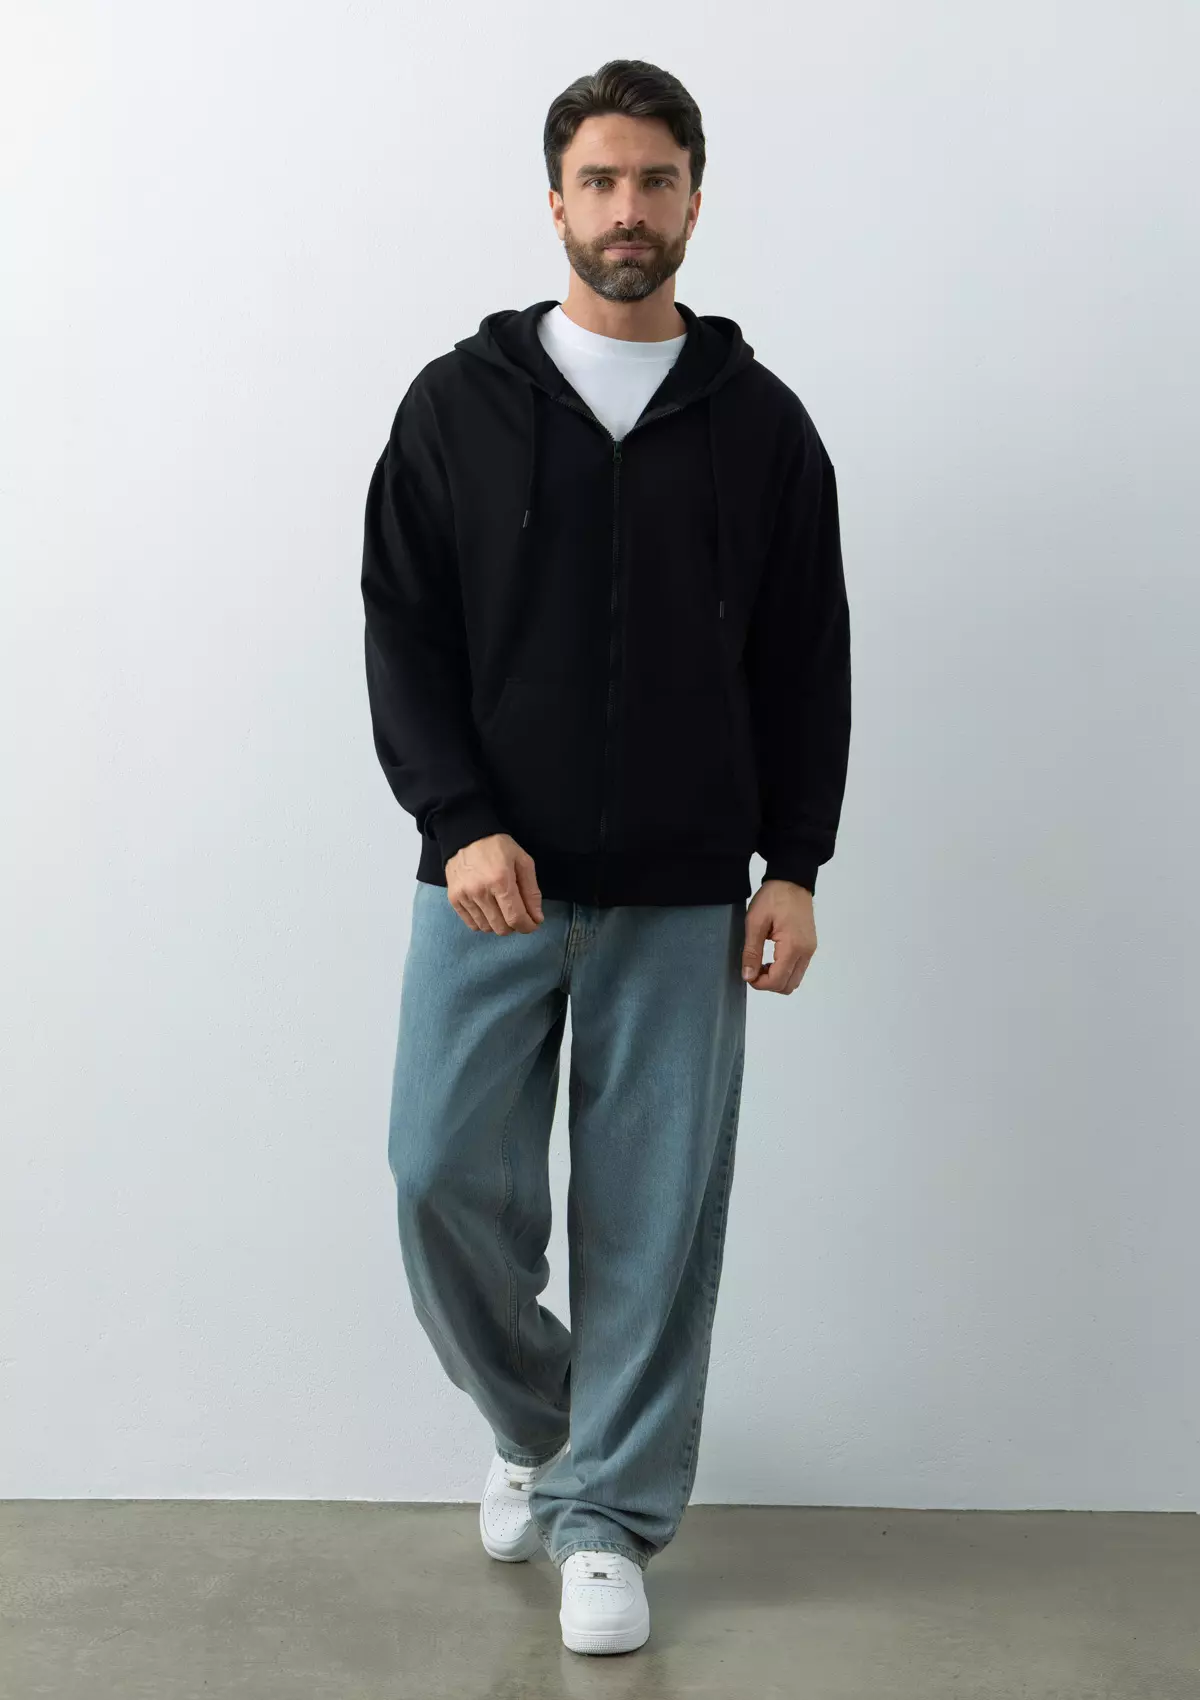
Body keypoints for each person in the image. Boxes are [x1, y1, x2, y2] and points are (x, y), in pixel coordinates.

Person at [360, 57, 851, 1657]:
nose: (627, 209)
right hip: (487, 882)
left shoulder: (762, 427)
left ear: (695, 200)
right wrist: (458, 823)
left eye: (655, 180)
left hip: (686, 891)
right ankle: (545, 1423)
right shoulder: (457, 408)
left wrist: (797, 863)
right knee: (437, 1176)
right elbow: (405, 636)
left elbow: (806, 658)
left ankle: (608, 1521)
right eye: (600, 181)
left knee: (651, 1221)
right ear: (556, 201)